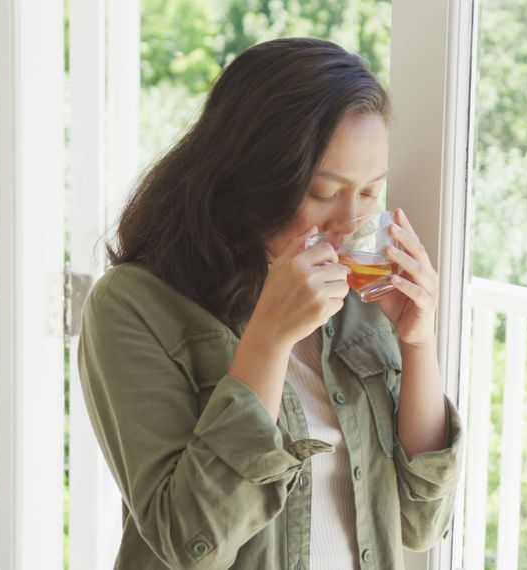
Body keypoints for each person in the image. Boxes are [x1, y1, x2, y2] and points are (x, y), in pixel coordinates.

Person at [77, 37, 464, 569]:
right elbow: (192, 541)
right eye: (324, 193)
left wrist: (418, 343)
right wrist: (270, 337)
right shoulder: (133, 306)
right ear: (251, 180)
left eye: (370, 192)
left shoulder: (360, 299)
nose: (349, 223)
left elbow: (421, 523)